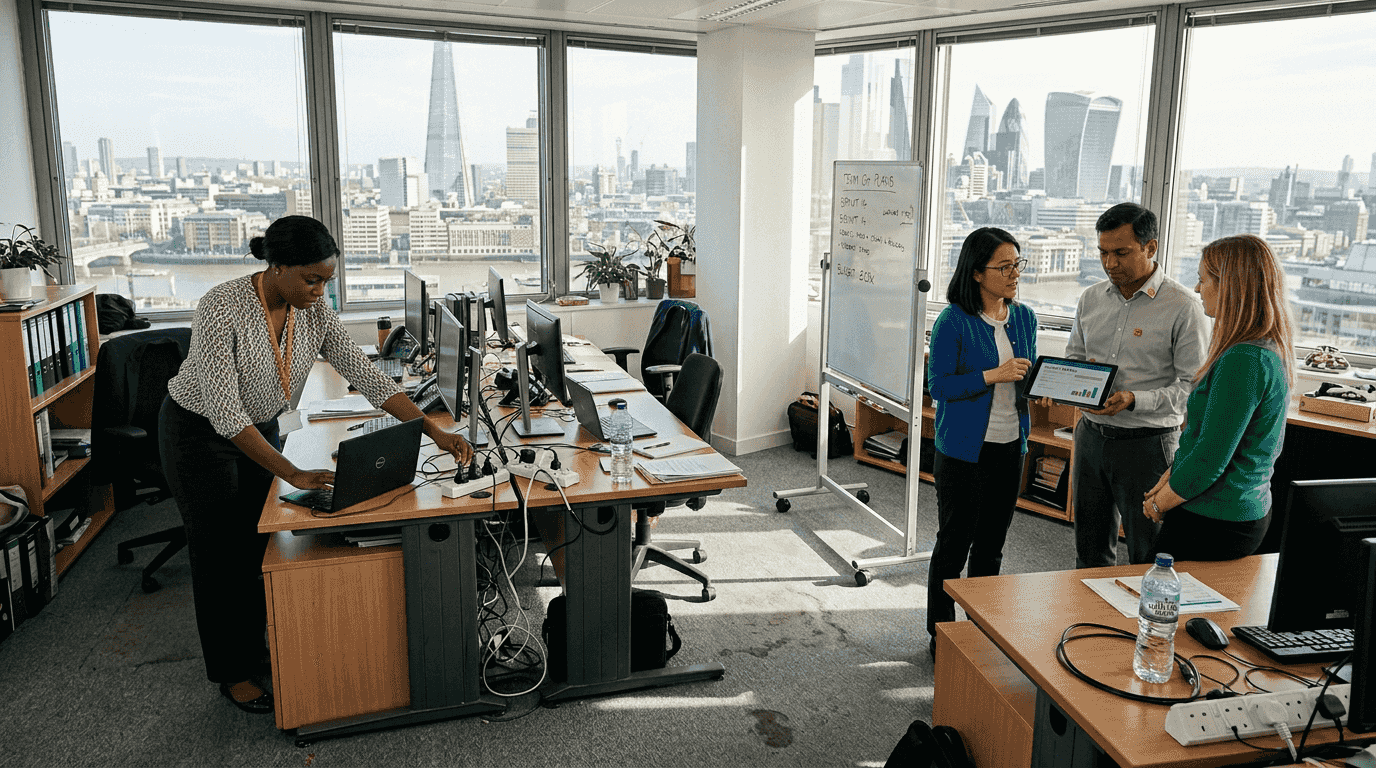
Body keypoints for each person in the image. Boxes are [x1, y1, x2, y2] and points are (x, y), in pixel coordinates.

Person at [158, 215, 473, 714]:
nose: (320, 290)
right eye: (312, 279)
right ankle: (232, 671)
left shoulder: (314, 311)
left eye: (327, 279)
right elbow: (223, 411)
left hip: (258, 427)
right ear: (277, 266)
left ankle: (260, 645)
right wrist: (293, 472)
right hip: (199, 433)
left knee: (258, 541)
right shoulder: (222, 307)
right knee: (219, 555)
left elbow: (364, 374)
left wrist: (430, 427)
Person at [1065, 203, 1209, 569]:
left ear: (1151, 247)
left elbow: (1192, 386)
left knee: (1149, 553)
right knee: (1089, 547)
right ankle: (1093, 624)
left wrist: (1134, 400)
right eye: (1102, 252)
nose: (1109, 263)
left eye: (1121, 253)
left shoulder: (1184, 307)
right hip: (1090, 436)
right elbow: (1075, 359)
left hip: (1148, 444)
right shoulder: (1091, 298)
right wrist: (1073, 385)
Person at [1142, 235, 1293, 560]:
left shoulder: (1244, 360)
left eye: (1203, 279)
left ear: (1230, 286)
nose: (1197, 289)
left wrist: (1158, 503)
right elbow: (1204, 440)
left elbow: (1209, 459)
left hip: (1217, 517)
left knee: (1153, 599)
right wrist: (1167, 481)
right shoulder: (1261, 350)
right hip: (1229, 509)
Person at [926, 227, 1037, 657]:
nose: (1014, 274)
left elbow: (1024, 377)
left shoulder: (1024, 317)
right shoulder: (953, 320)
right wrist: (994, 375)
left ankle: (981, 628)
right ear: (976, 273)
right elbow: (939, 386)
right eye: (1004, 267)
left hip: (1012, 445)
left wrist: (1043, 384)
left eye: (1017, 265)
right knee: (954, 543)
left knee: (992, 545)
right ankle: (941, 633)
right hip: (963, 451)